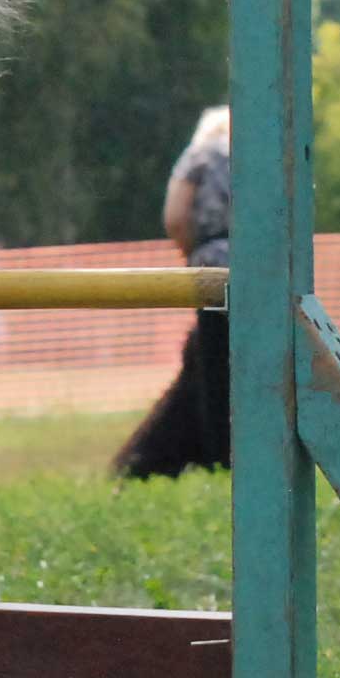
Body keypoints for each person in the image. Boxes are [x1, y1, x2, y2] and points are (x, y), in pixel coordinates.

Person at [113, 106, 231, 479]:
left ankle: (220, 456)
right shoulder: (265, 156)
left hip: (212, 268)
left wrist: (193, 253)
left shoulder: (199, 157)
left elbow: (175, 217)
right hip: (264, 269)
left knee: (215, 367)